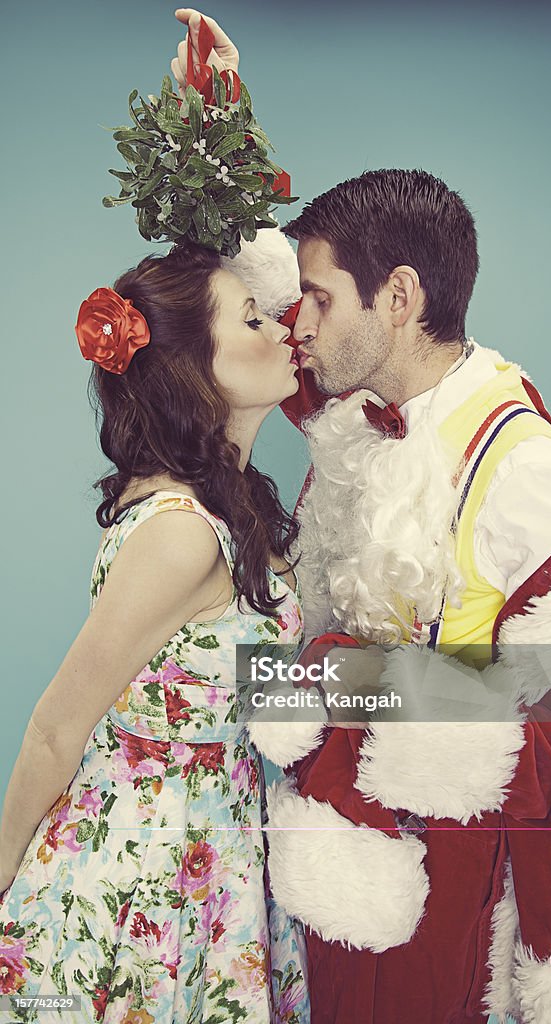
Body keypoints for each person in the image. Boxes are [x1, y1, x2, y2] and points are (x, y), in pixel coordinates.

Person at [172, 11, 551, 1024]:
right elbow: (235, 310)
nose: (295, 324)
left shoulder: (524, 467)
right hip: (336, 854)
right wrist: (213, 121)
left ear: (398, 297)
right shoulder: (350, 402)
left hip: (455, 891)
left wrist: (374, 704)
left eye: (319, 300)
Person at [0, 208, 310, 1019]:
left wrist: (467, 690)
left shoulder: (227, 503)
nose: (281, 330)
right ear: (194, 369)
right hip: (143, 871)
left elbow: (269, 691)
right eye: (250, 319)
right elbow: (56, 728)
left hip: (212, 850)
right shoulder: (180, 532)